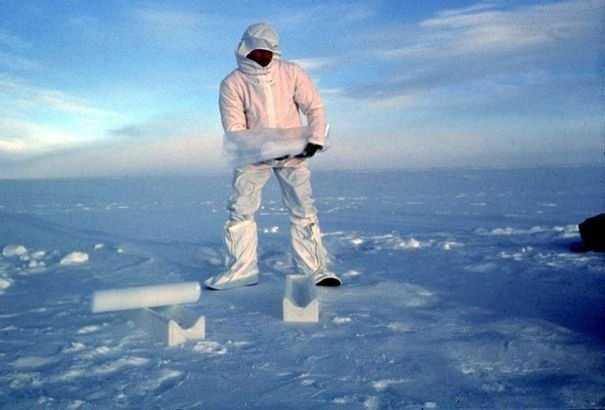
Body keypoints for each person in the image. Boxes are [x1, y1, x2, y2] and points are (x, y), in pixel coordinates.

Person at [204, 22, 341, 290]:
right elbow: (234, 128)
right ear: (246, 49)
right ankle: (242, 270)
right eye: (258, 51)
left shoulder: (291, 73)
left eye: (269, 52)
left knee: (303, 208)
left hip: (294, 153)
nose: (263, 57)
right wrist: (260, 150)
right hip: (252, 158)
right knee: (241, 210)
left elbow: (314, 107)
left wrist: (314, 140)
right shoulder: (233, 83)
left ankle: (314, 270)